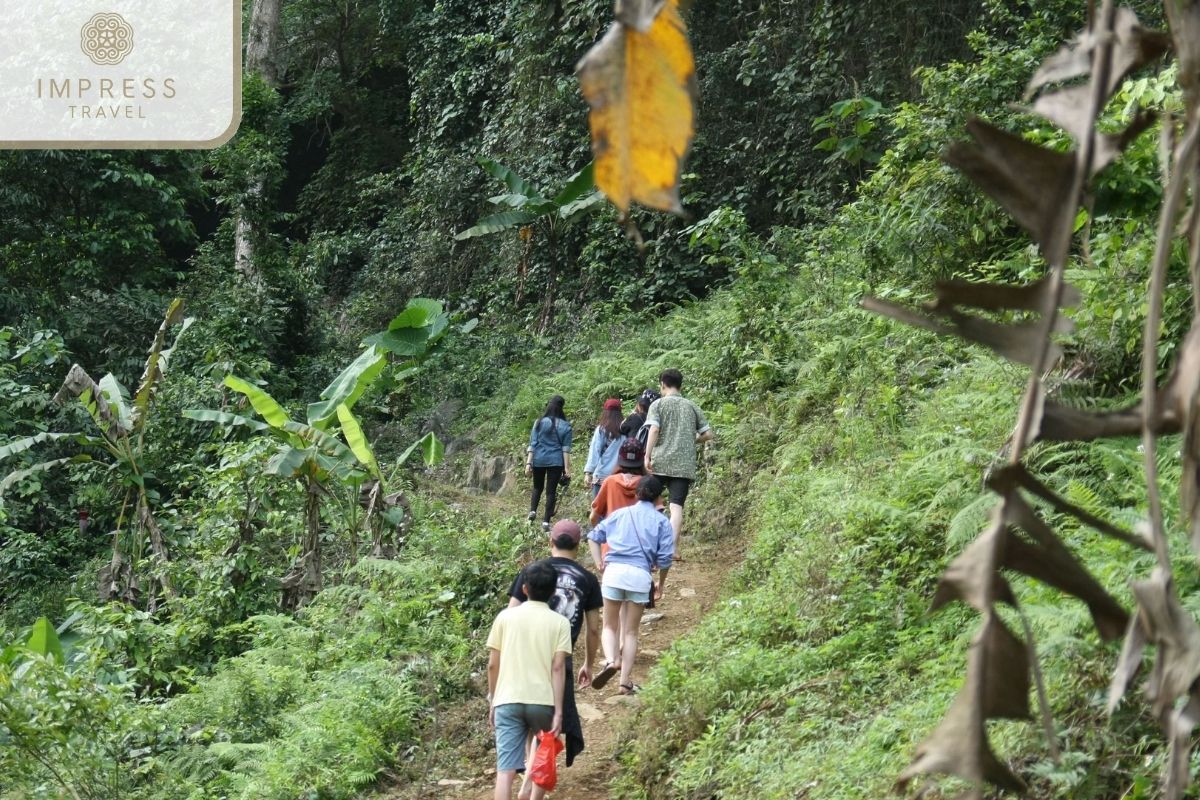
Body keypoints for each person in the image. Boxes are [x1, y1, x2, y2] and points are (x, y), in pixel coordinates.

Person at [507, 520, 603, 781]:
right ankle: (532, 777)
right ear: (578, 544)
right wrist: (589, 664)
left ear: (551, 542)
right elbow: (593, 629)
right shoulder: (588, 579)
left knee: (526, 714)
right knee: (549, 721)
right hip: (560, 658)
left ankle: (527, 766)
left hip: (525, 653)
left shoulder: (532, 571)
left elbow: (510, 613)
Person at [487, 559, 572, 800]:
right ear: (554, 591)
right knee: (544, 752)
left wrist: (493, 699)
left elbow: (493, 664)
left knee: (505, 771)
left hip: (507, 699)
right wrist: (558, 711)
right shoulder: (560, 623)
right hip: (542, 701)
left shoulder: (505, 617)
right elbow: (558, 668)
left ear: (524, 589)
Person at [587, 475, 674, 695]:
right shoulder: (662, 521)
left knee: (609, 625)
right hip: (640, 576)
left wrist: (599, 562)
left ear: (636, 494)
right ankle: (624, 682)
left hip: (614, 573)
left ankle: (610, 660)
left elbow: (593, 536)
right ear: (658, 499)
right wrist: (660, 584)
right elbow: (665, 559)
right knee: (631, 633)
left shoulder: (619, 514)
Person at [644, 369, 712, 560]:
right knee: (676, 507)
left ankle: (648, 545)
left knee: (649, 503)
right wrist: (692, 440)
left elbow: (655, 429)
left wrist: (647, 456)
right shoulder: (691, 406)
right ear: (680, 385)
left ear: (663, 384)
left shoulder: (657, 405)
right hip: (683, 465)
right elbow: (708, 434)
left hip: (660, 461)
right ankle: (672, 549)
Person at [526, 396, 573, 532]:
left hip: (539, 459)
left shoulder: (539, 422)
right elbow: (566, 449)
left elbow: (533, 444)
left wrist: (528, 463)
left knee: (537, 487)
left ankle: (533, 511)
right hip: (556, 461)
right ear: (561, 408)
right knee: (551, 492)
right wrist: (567, 468)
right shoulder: (566, 426)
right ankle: (546, 522)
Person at [583, 398, 626, 498]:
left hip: (601, 475)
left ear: (605, 412)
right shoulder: (625, 430)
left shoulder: (602, 429)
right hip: (619, 476)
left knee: (598, 509)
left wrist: (588, 472)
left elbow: (595, 451)